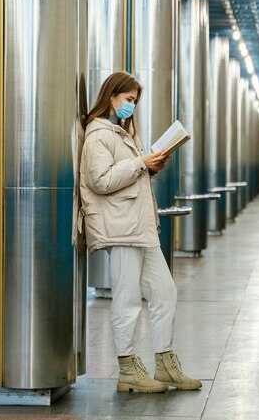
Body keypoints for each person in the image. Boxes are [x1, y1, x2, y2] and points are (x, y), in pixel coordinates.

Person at [78, 71, 201, 393]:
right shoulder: (98, 135)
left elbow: (126, 178)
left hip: (140, 228)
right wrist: (140, 164)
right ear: (112, 96)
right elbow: (101, 181)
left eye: (135, 101)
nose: (132, 106)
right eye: (129, 100)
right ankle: (127, 368)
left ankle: (164, 362)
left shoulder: (122, 134)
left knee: (165, 292)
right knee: (127, 298)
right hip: (120, 229)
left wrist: (149, 165)